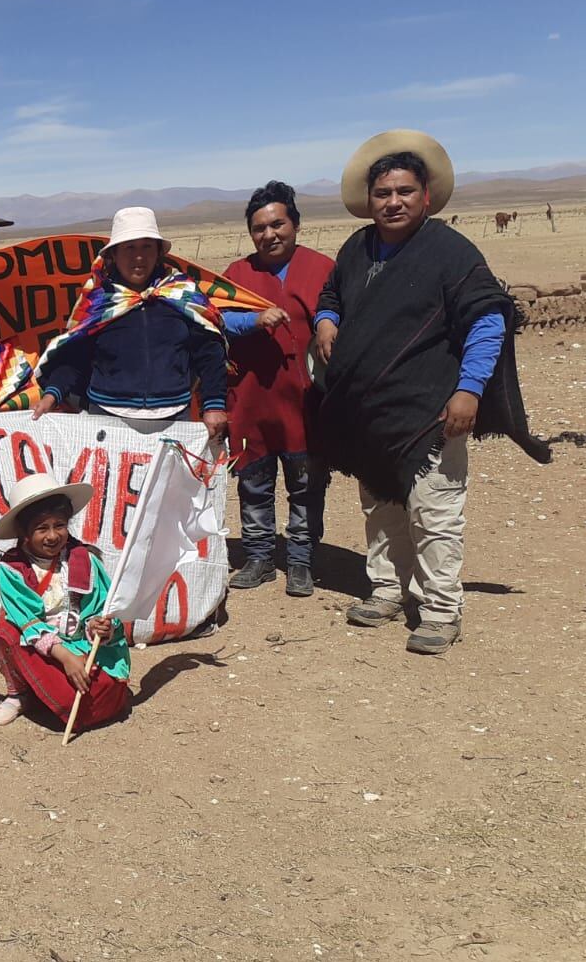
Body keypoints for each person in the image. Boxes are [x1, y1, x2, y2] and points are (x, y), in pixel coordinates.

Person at [314, 131, 549, 654]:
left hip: (430, 410)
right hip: (371, 413)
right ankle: (387, 589)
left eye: (404, 191)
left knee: (434, 512)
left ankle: (442, 609)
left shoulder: (449, 250)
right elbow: (332, 294)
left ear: (425, 196)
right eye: (383, 193)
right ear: (369, 199)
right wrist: (327, 320)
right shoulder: (356, 248)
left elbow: (487, 318)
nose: (393, 202)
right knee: (381, 506)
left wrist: (469, 390)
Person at [221, 182, 336, 598]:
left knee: (306, 483)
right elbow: (215, 317)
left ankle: (302, 559)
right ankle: (259, 557)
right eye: (259, 228)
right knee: (253, 482)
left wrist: (328, 323)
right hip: (252, 398)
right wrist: (252, 321)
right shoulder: (238, 274)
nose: (269, 234)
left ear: (296, 225)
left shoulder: (322, 268)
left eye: (277, 224)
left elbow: (338, 308)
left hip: (306, 400)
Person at [32, 207, 228, 440]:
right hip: (107, 419)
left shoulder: (180, 293)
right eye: (129, 248)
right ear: (113, 255)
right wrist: (52, 394)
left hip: (174, 419)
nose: (139, 257)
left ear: (158, 252)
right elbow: (75, 356)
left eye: (147, 246)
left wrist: (214, 403)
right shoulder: (99, 299)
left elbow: (209, 351)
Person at [0, 473, 129, 732]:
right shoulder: (12, 569)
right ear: (24, 532)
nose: (53, 536)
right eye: (42, 528)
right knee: (6, 631)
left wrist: (99, 627)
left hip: (82, 644)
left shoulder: (85, 560)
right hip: (45, 648)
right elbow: (27, 620)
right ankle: (19, 693)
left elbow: (103, 608)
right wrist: (65, 657)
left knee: (98, 696)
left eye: (59, 525)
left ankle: (45, 689)